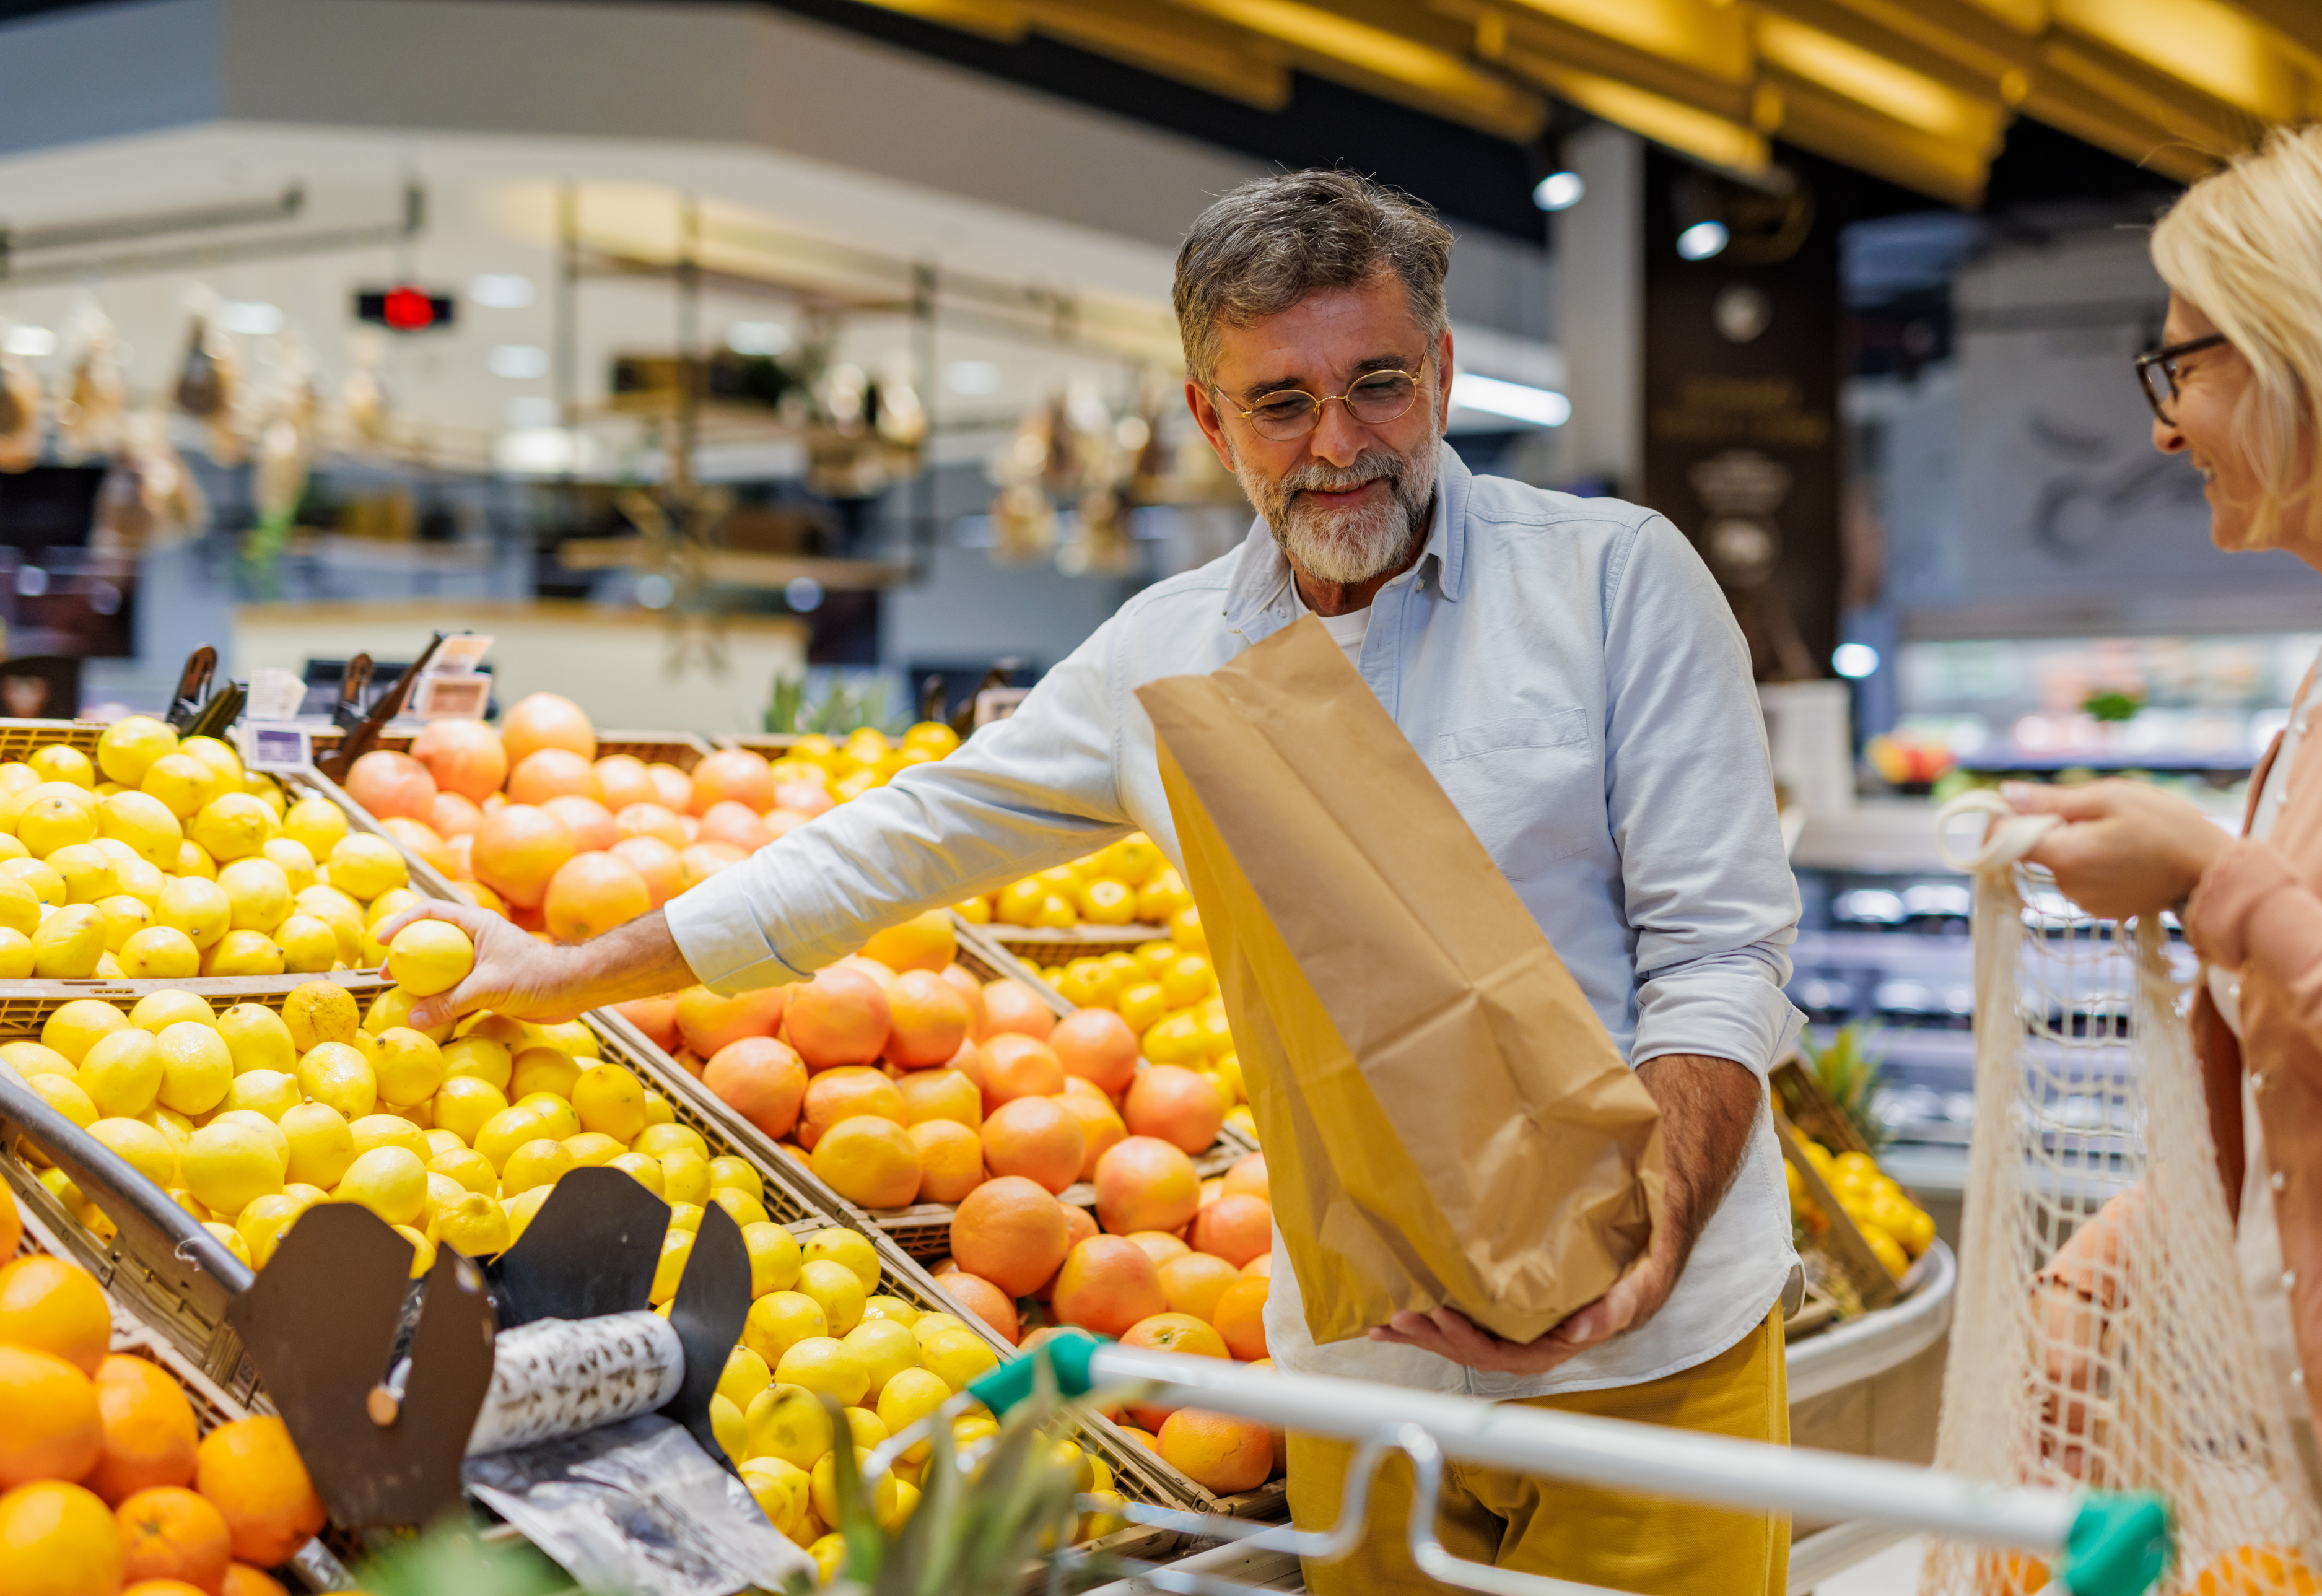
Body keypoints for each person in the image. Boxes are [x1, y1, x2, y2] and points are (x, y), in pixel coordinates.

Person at [385, 170, 1804, 1594]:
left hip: (1647, 1356)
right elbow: (898, 839)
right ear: (1207, 415)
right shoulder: (1163, 655)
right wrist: (558, 970)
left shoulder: (1617, 583)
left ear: (1438, 368)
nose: (1338, 444)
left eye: (1378, 384)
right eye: (1279, 402)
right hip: (1363, 1374)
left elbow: (1720, 951)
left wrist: (1651, 1238)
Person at [2001, 121, 2322, 1550]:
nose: (2163, 428)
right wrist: (2090, 1282)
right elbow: (2292, 1113)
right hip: (2316, 1469)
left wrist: (2214, 877)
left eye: (2185, 362)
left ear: (2314, 347)